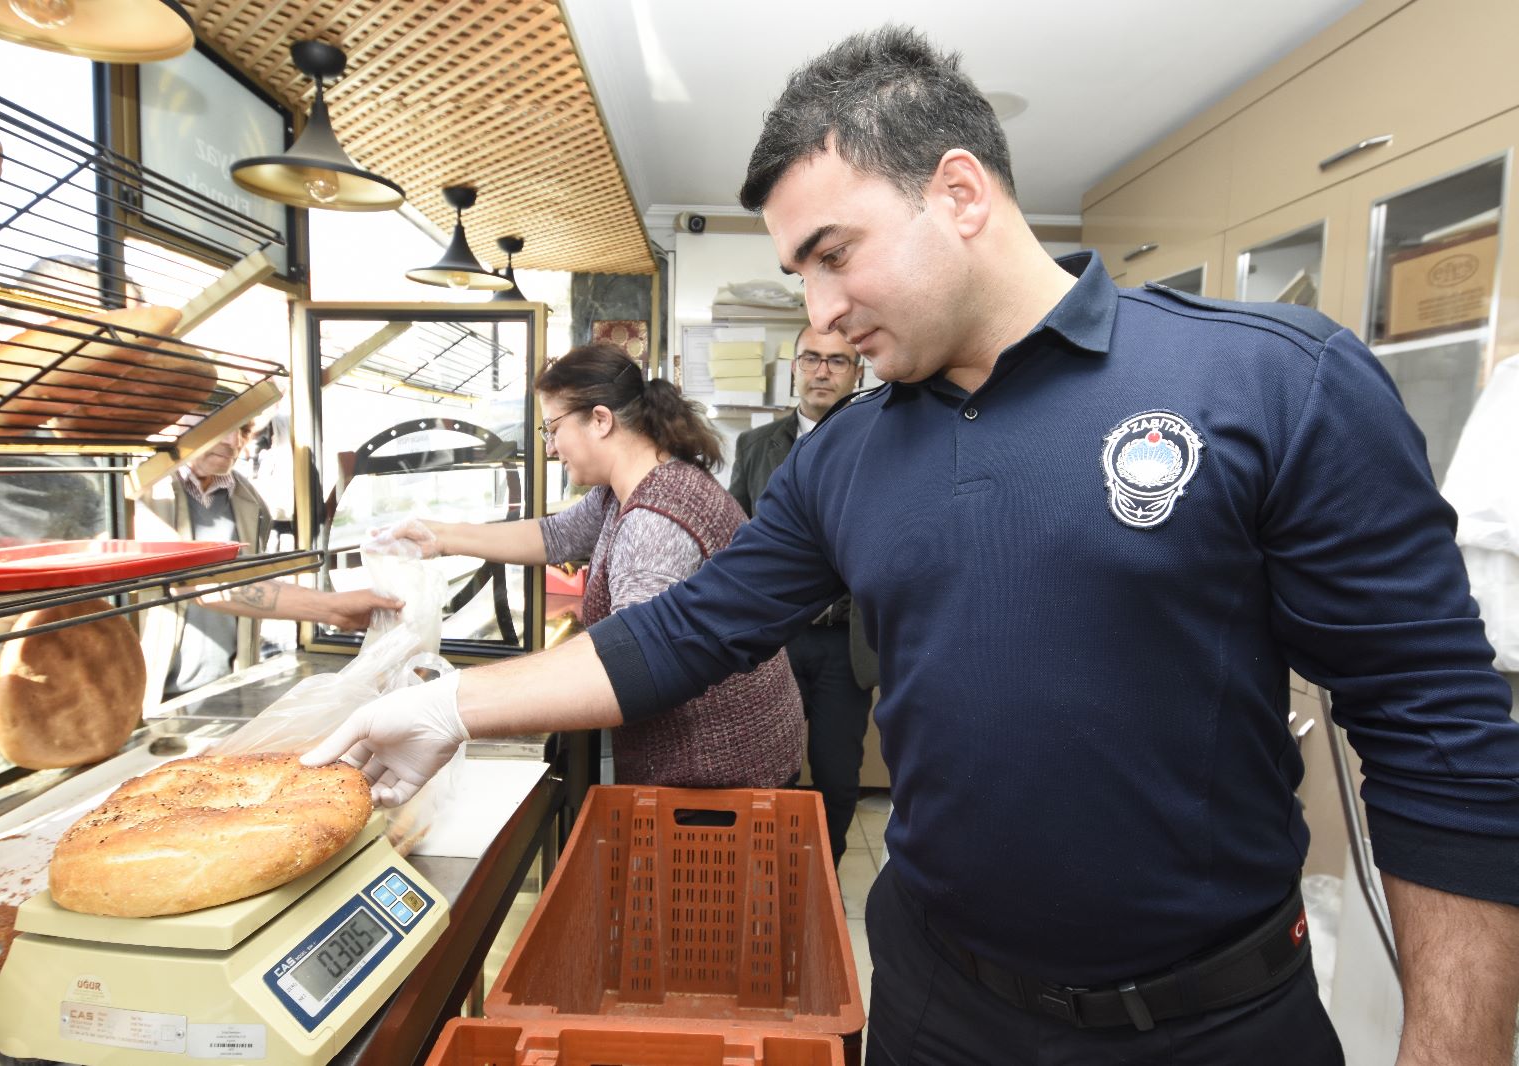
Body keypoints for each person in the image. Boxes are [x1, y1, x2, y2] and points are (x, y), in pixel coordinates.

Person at [306, 26, 1519, 1066]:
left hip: (1210, 1020)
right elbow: (689, 629)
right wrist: (454, 705)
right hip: (938, 1007)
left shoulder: (1271, 384)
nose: (818, 312)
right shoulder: (846, 455)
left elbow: (1442, 741)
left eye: (833, 254)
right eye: (796, 274)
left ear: (958, 192)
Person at [375, 343, 804, 788]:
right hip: (720, 755)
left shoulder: (654, 524)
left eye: (552, 429)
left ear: (601, 420)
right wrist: (440, 535)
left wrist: (450, 709)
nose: (550, 448)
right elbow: (552, 536)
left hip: (716, 770)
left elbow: (633, 670)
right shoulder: (625, 488)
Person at [731, 324, 877, 865]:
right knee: (770, 772)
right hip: (777, 640)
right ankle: (768, 880)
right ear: (793, 367)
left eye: (837, 361)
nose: (822, 371)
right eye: (811, 358)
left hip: (847, 643)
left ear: (857, 373)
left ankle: (822, 882)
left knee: (838, 780)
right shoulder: (755, 446)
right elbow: (735, 530)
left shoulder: (883, 442)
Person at [137, 420, 401, 703]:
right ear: (176, 427)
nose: (232, 441)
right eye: (216, 427)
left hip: (225, 684)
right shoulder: (142, 493)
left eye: (241, 430)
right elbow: (190, 580)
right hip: (151, 687)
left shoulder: (247, 500)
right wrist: (331, 608)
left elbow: (247, 578)